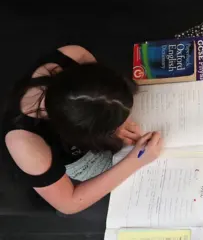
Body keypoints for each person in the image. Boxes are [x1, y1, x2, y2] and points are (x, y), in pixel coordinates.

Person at [2, 45, 163, 214]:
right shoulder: (24, 142)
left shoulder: (73, 56)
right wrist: (135, 161)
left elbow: (101, 100)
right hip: (75, 159)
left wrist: (119, 120)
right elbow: (69, 204)